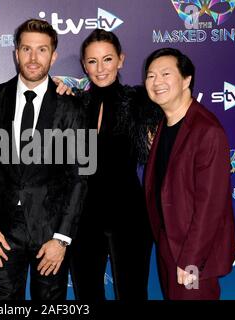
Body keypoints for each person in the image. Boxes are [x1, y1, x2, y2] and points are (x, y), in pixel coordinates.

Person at [0, 19, 87, 300]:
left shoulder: (73, 107)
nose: (33, 58)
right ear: (16, 53)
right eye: (26, 49)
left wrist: (62, 238)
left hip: (50, 233)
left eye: (42, 50)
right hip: (2, 233)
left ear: (53, 55)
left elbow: (81, 176)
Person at [67, 29, 162, 300]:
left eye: (107, 59)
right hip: (84, 217)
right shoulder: (75, 105)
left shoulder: (140, 101)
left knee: (132, 293)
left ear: (120, 60)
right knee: (86, 294)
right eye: (92, 61)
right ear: (84, 65)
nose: (100, 68)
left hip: (129, 215)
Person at [143, 48, 235, 300]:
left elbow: (210, 206)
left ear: (186, 80)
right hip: (168, 247)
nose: (156, 82)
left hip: (193, 257)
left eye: (165, 74)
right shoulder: (165, 125)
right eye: (150, 76)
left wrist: (190, 260)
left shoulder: (207, 130)